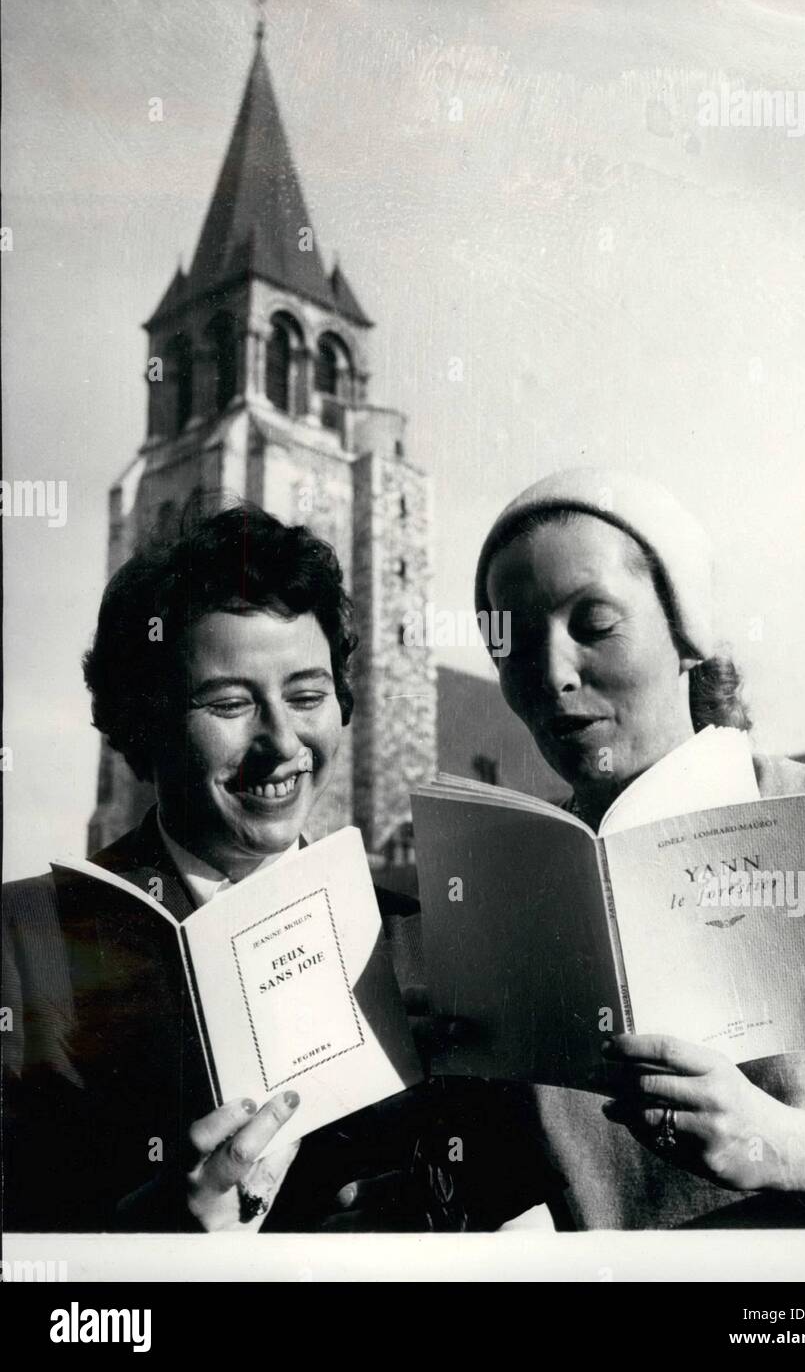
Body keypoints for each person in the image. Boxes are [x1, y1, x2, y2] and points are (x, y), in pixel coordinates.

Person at [2, 503, 555, 1233]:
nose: (281, 743)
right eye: (230, 703)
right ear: (146, 725)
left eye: (307, 696)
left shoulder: (424, 941)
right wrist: (151, 1240)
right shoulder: (25, 940)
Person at [467, 467, 805, 1229]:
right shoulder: (513, 885)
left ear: (685, 630)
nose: (552, 673)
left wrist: (788, 1145)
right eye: (512, 640)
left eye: (595, 624)